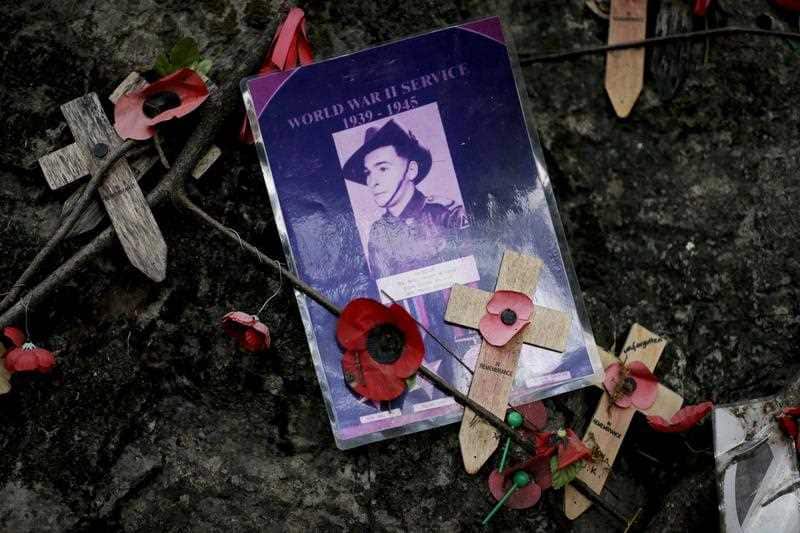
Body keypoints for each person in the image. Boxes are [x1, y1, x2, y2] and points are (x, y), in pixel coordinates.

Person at [342, 119, 468, 278]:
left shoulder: (447, 214)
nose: (372, 181)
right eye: (368, 172)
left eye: (382, 168)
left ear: (411, 170)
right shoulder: (378, 232)